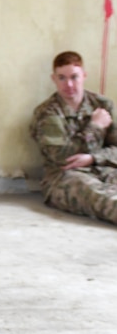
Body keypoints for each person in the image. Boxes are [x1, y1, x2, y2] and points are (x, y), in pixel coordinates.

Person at [30, 51, 117, 225]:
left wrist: (93, 158)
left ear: (84, 76)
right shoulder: (48, 113)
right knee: (100, 197)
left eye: (74, 77)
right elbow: (61, 156)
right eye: (62, 78)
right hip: (65, 176)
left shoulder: (103, 105)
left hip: (103, 167)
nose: (68, 84)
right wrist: (95, 126)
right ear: (54, 79)